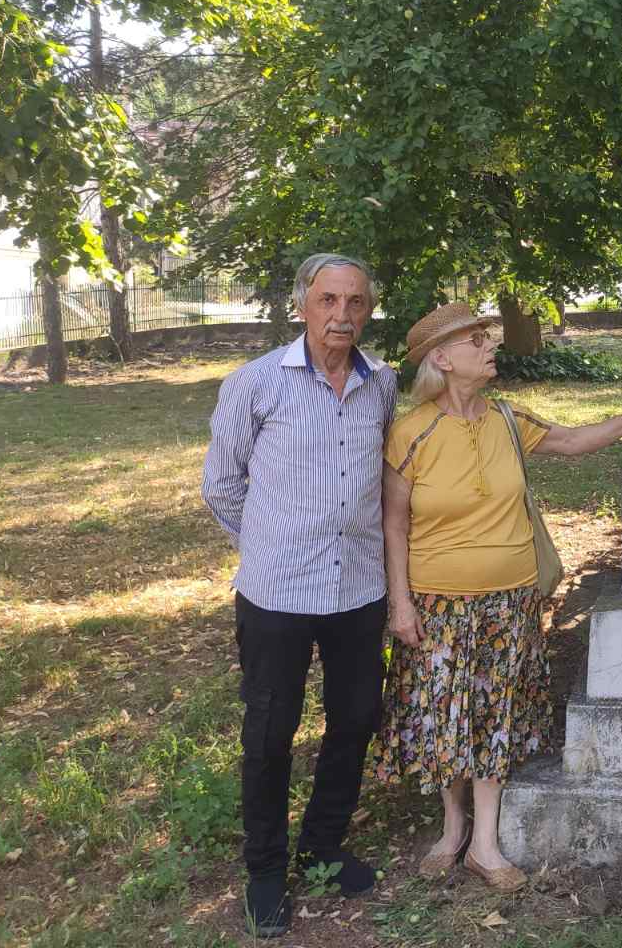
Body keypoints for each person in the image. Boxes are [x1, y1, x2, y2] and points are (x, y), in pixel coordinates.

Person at [374, 302, 622, 891]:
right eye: (475, 339)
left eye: (486, 337)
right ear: (442, 358)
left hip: (509, 600)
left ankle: (486, 841)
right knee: (445, 716)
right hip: (437, 601)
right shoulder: (412, 431)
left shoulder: (508, 419)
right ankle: (452, 825)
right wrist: (400, 603)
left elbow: (572, 440)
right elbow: (393, 524)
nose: (490, 346)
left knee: (493, 714)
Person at [201, 253, 396, 939]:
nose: (341, 315)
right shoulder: (255, 384)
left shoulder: (383, 387)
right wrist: (266, 547)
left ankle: (323, 844)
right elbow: (221, 485)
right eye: (328, 300)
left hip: (359, 590)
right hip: (277, 594)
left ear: (369, 310)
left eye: (356, 303)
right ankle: (264, 868)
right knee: (268, 732)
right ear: (303, 304)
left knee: (354, 719)